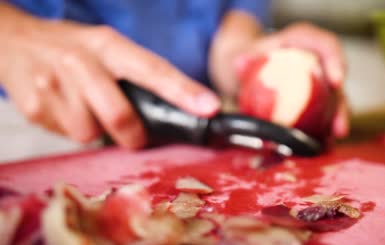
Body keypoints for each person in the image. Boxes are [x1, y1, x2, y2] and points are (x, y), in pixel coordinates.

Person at [0, 0, 348, 149]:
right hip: (28, 130)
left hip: (194, 141)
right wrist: (10, 32)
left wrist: (258, 68)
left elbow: (230, 40)